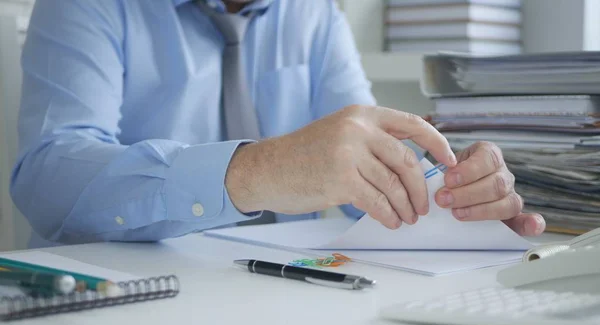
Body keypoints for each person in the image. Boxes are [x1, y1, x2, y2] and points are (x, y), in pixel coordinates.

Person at [10, 0, 545, 248]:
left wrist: (455, 197)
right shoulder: (84, 5)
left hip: (288, 297)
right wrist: (252, 171)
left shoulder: (316, 16)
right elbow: (47, 175)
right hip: (129, 300)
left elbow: (372, 171)